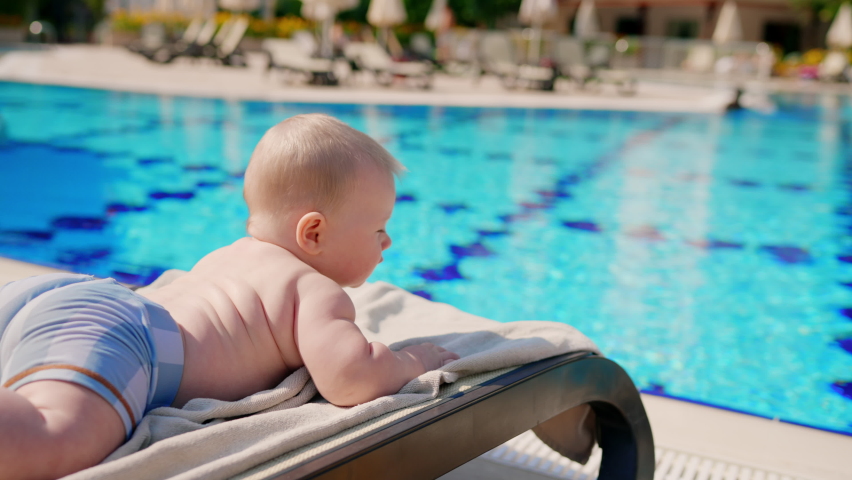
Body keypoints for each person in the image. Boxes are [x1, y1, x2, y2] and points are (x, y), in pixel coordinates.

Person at [0, 114, 460, 480]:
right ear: (314, 232)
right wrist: (412, 361)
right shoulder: (314, 290)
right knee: (53, 436)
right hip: (130, 341)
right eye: (379, 228)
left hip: (66, 297)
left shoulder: (229, 255)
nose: (387, 242)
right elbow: (351, 378)